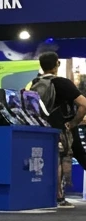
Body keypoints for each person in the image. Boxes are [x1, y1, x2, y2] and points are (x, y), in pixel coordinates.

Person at [28, 52, 86, 208]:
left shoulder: (35, 82)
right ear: (57, 64)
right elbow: (83, 104)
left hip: (44, 127)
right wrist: (73, 123)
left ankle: (53, 196)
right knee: (71, 157)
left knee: (51, 159)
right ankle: (60, 198)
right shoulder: (63, 83)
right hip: (64, 127)